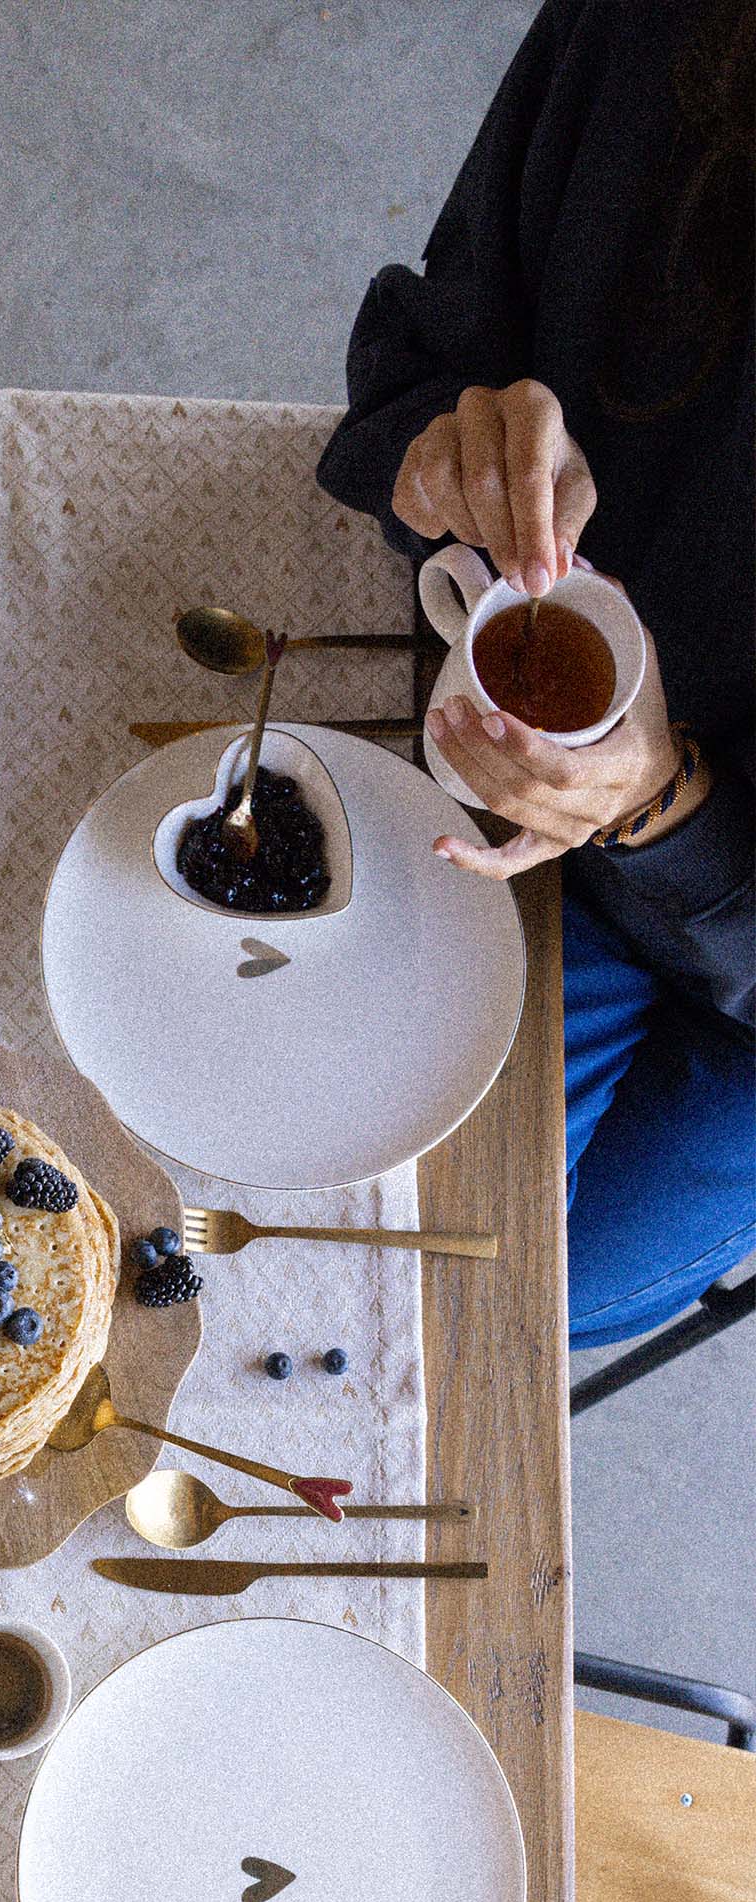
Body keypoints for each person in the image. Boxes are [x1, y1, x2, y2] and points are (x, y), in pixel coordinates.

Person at [316, 0, 753, 1348]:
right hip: (542, 806)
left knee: (453, 1306)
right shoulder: (654, 35)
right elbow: (424, 353)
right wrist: (441, 447)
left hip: (732, 967)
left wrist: (659, 805)